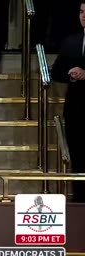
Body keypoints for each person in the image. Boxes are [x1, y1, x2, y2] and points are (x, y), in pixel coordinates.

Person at [51, 0, 85, 203]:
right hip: (76, 110)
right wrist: (70, 74)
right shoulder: (71, 41)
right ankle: (80, 204)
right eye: (81, 11)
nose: (83, 16)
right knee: (78, 160)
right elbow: (56, 71)